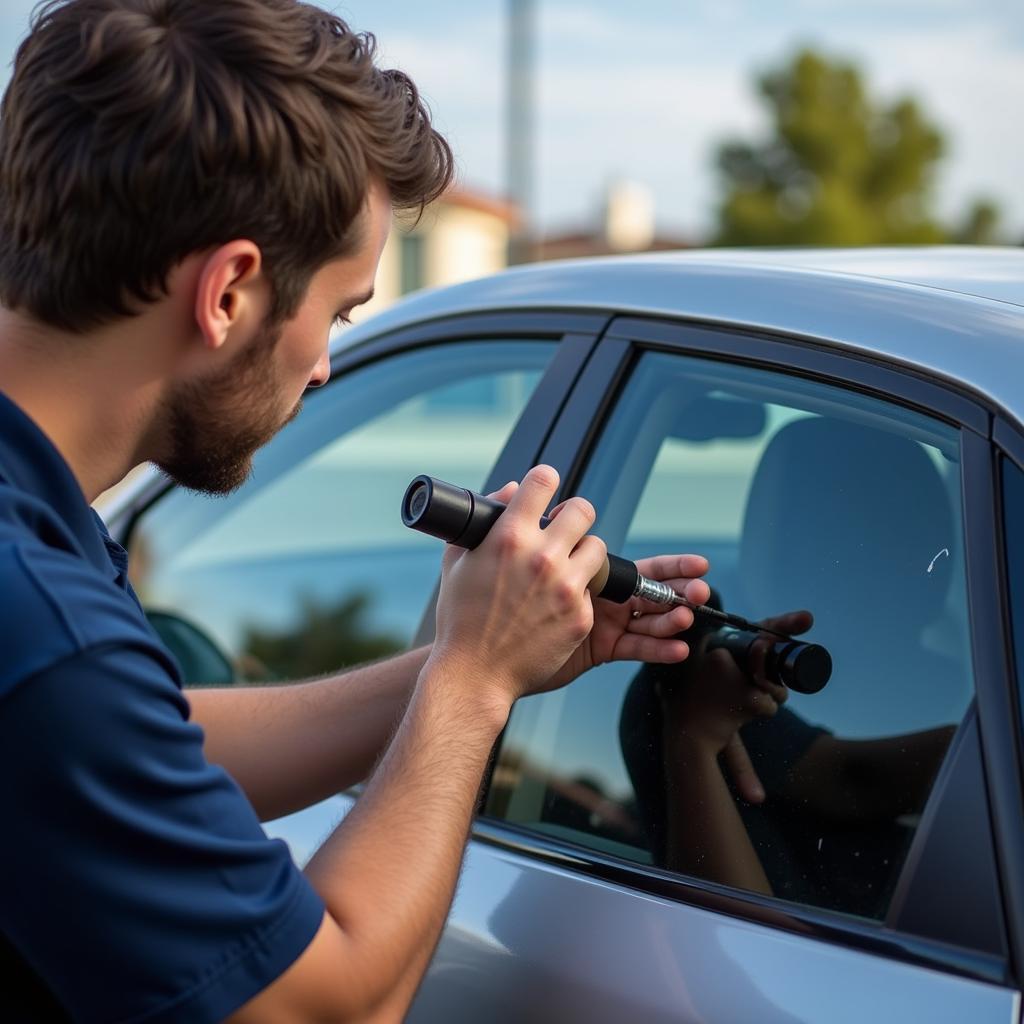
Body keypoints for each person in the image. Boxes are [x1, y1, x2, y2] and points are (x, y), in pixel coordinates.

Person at [0, 2, 711, 1021]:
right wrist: (472, 685)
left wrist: (470, 655)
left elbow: (137, 745)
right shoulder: (41, 620)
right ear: (230, 291)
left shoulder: (38, 587)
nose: (329, 364)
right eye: (336, 311)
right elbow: (323, 1008)